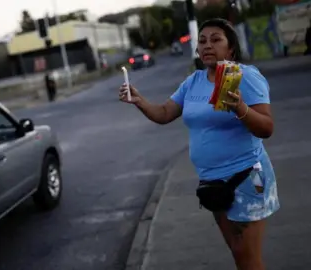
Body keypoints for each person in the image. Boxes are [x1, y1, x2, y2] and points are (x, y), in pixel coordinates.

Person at [118, 18, 279, 270]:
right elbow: (164, 113)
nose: (207, 45)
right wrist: (139, 101)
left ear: (231, 49)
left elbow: (267, 128)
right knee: (238, 254)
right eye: (202, 41)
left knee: (248, 258)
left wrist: (238, 107)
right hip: (213, 182)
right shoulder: (193, 82)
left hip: (248, 176)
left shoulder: (245, 77)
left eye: (216, 40)